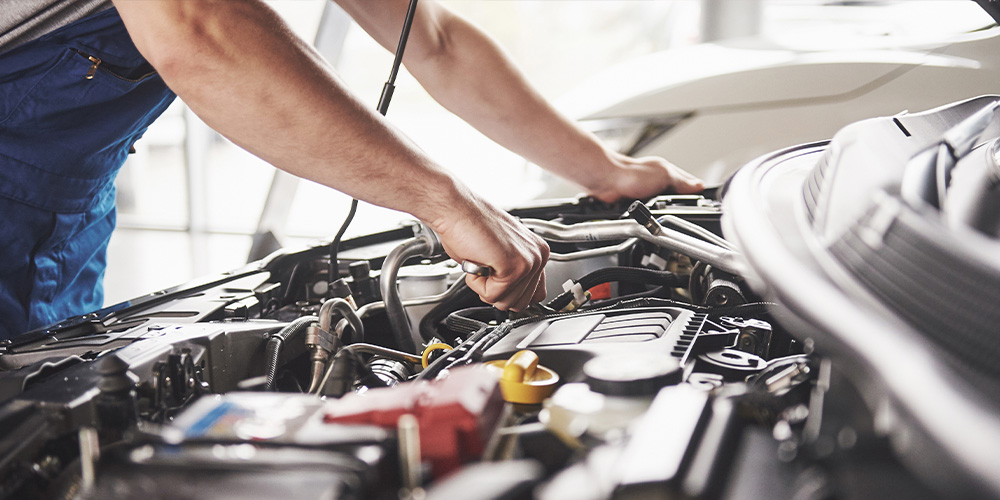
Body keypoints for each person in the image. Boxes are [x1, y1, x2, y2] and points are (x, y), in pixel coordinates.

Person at [0, 0, 703, 340]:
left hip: (59, 214)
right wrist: (445, 201)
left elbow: (435, 42)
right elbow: (198, 27)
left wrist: (607, 171)